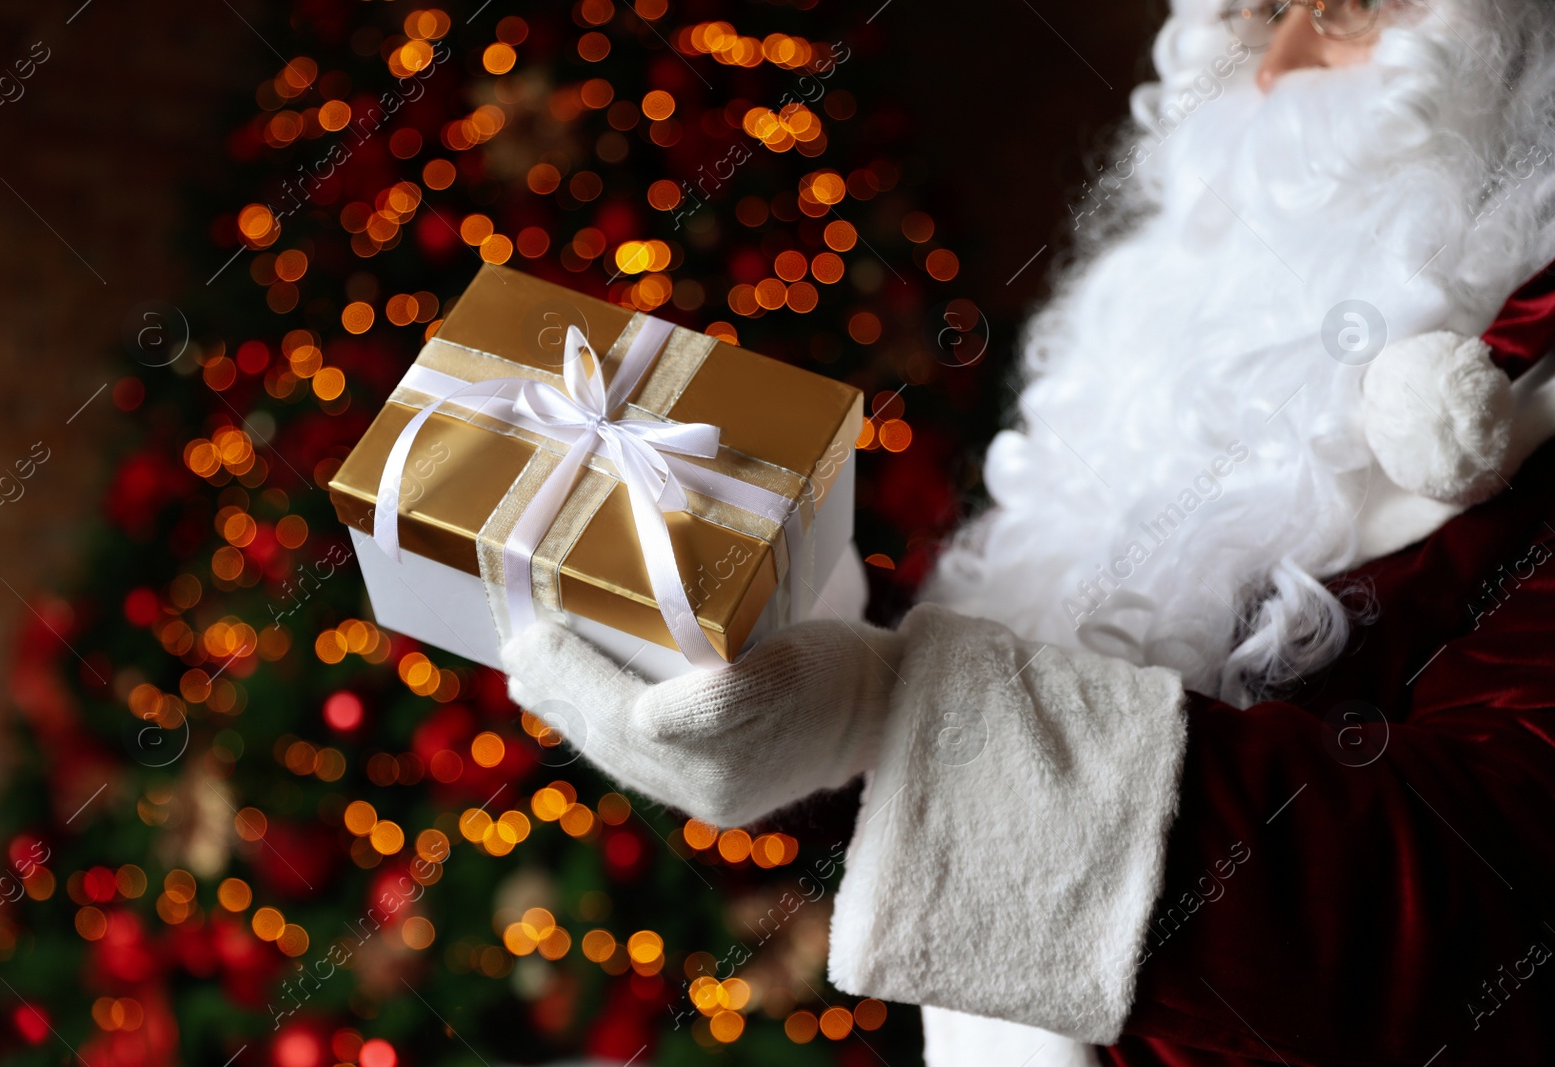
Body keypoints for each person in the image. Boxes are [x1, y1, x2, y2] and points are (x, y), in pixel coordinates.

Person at [503, 0, 1555, 1062]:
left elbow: (1473, 915)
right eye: (1257, 10)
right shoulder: (1168, 355)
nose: (1275, 64)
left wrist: (882, 709)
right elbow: (951, 738)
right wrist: (774, 706)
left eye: (1344, 10)